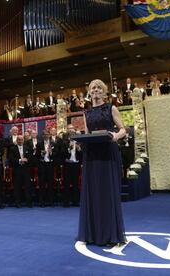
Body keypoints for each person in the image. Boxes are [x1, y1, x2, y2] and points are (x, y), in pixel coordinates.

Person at [77, 79, 126, 246]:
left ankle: (110, 234)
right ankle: (92, 234)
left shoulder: (111, 108)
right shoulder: (86, 113)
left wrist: (115, 136)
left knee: (107, 193)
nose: (96, 90)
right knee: (93, 192)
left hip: (107, 153)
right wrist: (79, 141)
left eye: (99, 87)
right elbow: (87, 133)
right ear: (89, 92)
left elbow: (123, 130)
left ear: (104, 92)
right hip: (91, 156)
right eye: (93, 88)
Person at [9, 135, 32, 207]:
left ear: (23, 140)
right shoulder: (12, 148)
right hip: (17, 169)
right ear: (16, 141)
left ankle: (29, 202)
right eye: (18, 140)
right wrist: (20, 160)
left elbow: (31, 157)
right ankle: (17, 202)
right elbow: (11, 159)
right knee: (17, 187)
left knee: (27, 186)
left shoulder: (27, 148)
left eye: (21, 139)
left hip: (26, 169)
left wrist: (27, 159)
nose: (20, 141)